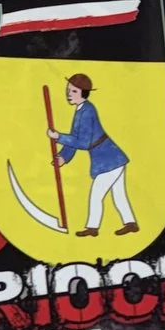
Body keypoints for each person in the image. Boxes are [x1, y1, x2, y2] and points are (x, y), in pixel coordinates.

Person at [47, 72, 135, 237]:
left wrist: (58, 137)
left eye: (74, 91)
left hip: (108, 159)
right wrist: (63, 157)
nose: (69, 94)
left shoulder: (87, 111)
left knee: (97, 195)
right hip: (111, 158)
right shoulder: (80, 110)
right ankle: (130, 223)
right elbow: (75, 137)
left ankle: (92, 228)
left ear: (84, 93)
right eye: (68, 90)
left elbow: (83, 142)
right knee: (118, 194)